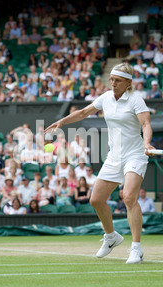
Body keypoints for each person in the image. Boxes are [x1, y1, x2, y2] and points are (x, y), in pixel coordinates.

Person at [45, 63, 156, 264]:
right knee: (96, 200)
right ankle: (112, 237)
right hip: (114, 156)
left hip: (135, 155)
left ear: (128, 83)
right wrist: (62, 122)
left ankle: (136, 248)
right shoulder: (105, 97)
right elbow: (83, 112)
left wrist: (147, 142)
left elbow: (146, 124)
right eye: (111, 79)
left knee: (129, 196)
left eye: (117, 80)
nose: (112, 83)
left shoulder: (136, 100)